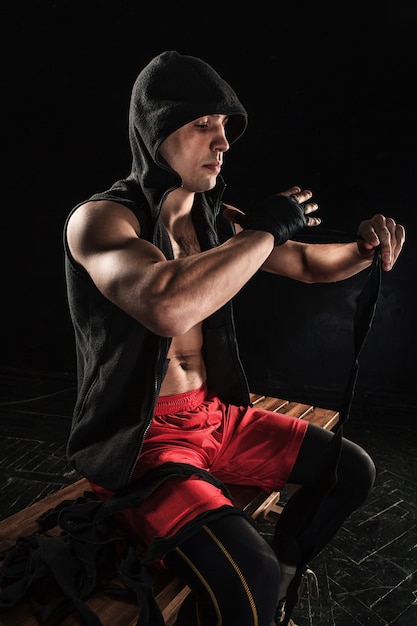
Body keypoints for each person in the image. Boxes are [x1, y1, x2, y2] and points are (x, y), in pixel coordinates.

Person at [63, 51, 405, 626]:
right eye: (203, 125)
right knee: (249, 572)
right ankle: (255, 590)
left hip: (214, 418)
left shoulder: (214, 221)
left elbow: (305, 263)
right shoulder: (101, 221)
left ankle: (274, 595)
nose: (222, 142)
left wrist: (365, 250)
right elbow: (167, 305)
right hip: (143, 439)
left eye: (225, 128)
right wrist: (267, 229)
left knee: (350, 470)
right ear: (155, 131)